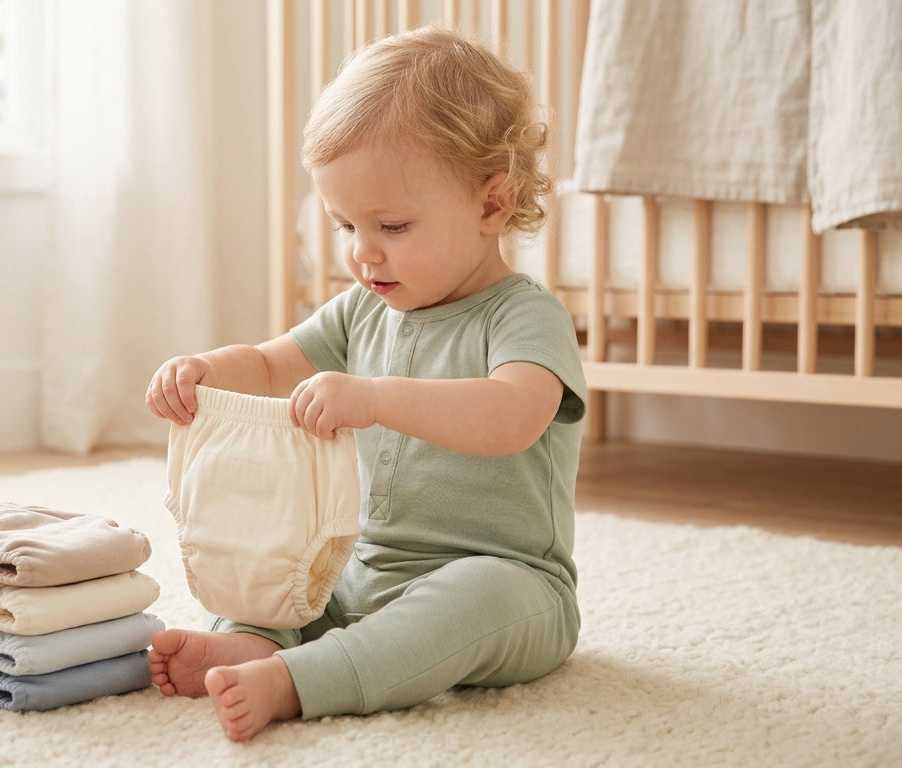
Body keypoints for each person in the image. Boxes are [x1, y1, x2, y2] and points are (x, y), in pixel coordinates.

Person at [144, 24, 587, 742]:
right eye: (344, 224)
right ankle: (254, 642)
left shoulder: (524, 316)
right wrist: (203, 369)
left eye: (391, 224)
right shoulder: (363, 308)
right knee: (277, 566)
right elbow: (267, 364)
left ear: (491, 205)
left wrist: (375, 398)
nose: (361, 252)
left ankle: (300, 680)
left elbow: (512, 415)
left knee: (468, 602)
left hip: (508, 581)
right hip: (359, 570)